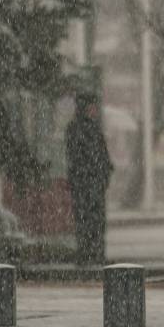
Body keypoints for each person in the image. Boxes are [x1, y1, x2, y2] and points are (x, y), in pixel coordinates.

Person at [65, 91, 114, 266]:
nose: (94, 110)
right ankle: (91, 253)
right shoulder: (85, 129)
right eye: (92, 106)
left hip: (87, 184)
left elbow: (99, 156)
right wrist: (101, 173)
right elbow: (94, 156)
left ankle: (89, 253)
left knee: (88, 220)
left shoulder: (79, 128)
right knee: (91, 219)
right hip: (88, 184)